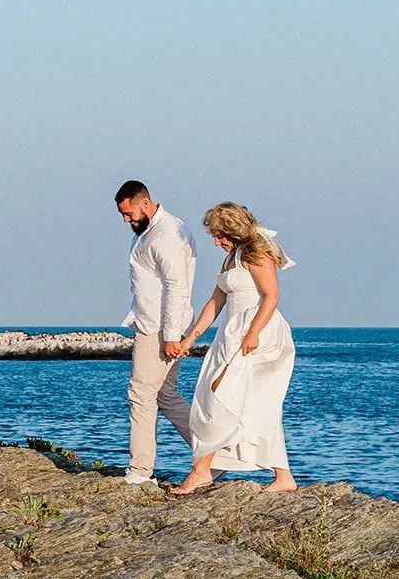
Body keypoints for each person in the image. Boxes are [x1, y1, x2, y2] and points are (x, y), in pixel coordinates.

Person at [169, 201, 297, 494]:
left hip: (258, 333)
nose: (216, 242)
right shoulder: (231, 259)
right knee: (237, 401)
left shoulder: (257, 254)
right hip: (231, 333)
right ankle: (282, 476)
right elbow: (216, 301)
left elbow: (271, 296)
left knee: (218, 397)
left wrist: (252, 334)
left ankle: (203, 471)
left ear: (234, 231)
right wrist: (191, 338)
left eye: (220, 235)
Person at [115, 179, 197, 485]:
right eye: (123, 216)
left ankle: (140, 471)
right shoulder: (151, 232)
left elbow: (177, 288)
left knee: (141, 395)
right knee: (166, 395)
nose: (127, 220)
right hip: (155, 324)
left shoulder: (166, 236)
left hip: (160, 328)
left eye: (130, 214)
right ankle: (212, 452)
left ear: (145, 204)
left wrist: (171, 335)